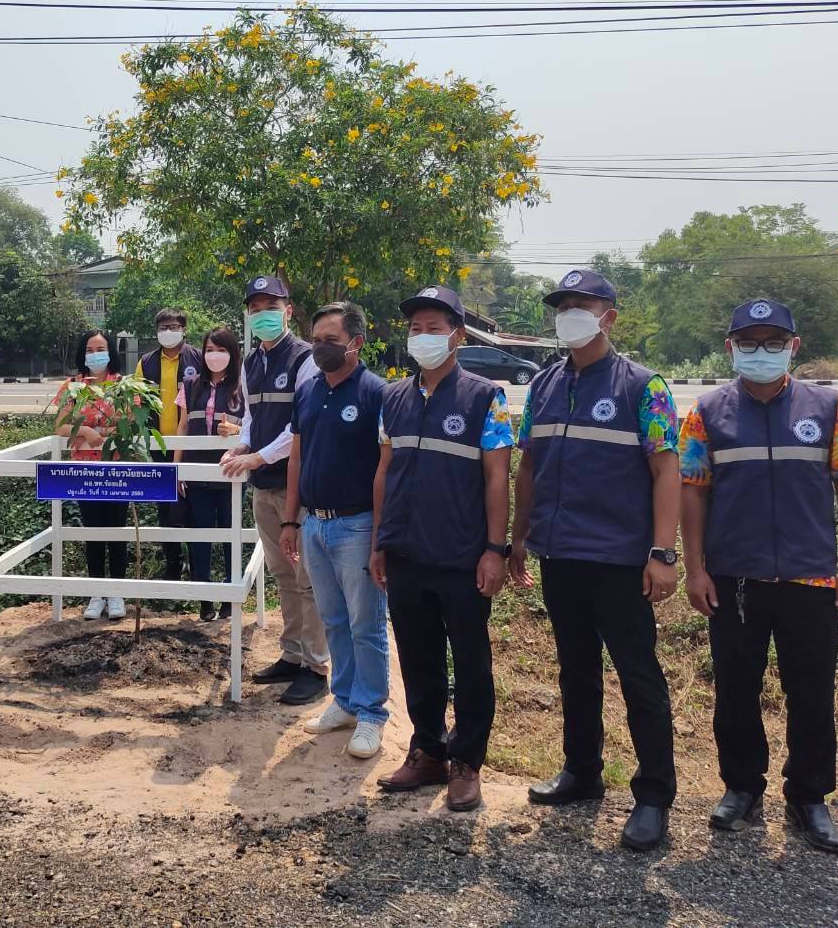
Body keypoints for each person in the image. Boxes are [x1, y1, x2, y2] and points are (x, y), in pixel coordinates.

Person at [679, 298, 838, 854]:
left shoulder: (830, 408)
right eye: (748, 342)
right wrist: (694, 569)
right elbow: (692, 494)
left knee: (810, 692)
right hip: (734, 579)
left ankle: (808, 796)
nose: (760, 351)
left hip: (810, 579)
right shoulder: (706, 412)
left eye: (773, 342)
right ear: (730, 347)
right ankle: (742, 787)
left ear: (794, 346)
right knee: (735, 691)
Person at [509, 267, 682, 853]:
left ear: (609, 315)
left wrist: (663, 553)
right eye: (563, 307)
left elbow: (666, 471)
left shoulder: (644, 387)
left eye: (581, 305)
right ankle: (582, 771)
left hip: (620, 560)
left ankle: (654, 795)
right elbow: (528, 466)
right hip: (560, 554)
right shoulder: (543, 385)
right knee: (576, 670)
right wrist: (518, 538)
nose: (569, 316)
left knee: (638, 675)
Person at [371, 286, 513, 810]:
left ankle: (467, 761)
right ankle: (427, 750)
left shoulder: (485, 397)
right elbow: (385, 472)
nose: (423, 337)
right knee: (418, 657)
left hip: (462, 557)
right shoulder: (393, 398)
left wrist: (495, 549)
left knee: (472, 662)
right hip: (406, 553)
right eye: (416, 328)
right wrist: (380, 542)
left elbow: (497, 478)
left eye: (434, 328)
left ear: (457, 335)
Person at [280, 302, 389, 758]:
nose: (321, 348)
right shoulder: (307, 391)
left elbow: (387, 468)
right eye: (316, 340)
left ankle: (372, 713)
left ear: (356, 343)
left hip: (358, 526)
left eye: (331, 341)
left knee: (366, 624)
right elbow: (297, 458)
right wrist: (291, 519)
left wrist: (380, 537)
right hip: (314, 525)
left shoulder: (376, 393)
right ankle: (344, 701)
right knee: (334, 621)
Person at [221, 276, 328, 705]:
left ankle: (316, 666)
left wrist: (258, 457)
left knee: (308, 578)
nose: (262, 314)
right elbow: (251, 416)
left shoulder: (305, 359)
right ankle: (292, 653)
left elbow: (299, 427)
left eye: (271, 306)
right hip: (263, 485)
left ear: (288, 310)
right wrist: (243, 446)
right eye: (255, 307)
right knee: (283, 574)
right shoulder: (251, 362)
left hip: (296, 487)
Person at [172, 327, 249, 621]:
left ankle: (229, 597)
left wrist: (236, 429)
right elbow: (182, 427)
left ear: (233, 353)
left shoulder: (244, 385)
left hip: (231, 473)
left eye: (222, 350)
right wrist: (178, 469)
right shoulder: (190, 385)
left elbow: (254, 426)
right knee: (200, 537)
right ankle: (204, 598)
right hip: (197, 474)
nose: (215, 355)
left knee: (231, 535)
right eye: (210, 350)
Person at [54, 329, 131, 621]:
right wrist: (85, 430)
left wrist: (94, 429)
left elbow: (127, 426)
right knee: (92, 532)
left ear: (111, 351)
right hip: (84, 471)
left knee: (117, 532)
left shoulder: (123, 386)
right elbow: (61, 426)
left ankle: (117, 593)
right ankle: (96, 594)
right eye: (89, 349)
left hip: (117, 469)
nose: (95, 354)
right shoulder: (73, 386)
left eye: (100, 348)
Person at [139, 308, 203, 581]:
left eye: (174, 326)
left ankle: (197, 567)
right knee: (165, 508)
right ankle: (172, 565)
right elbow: (137, 400)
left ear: (184, 329)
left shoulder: (198, 358)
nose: (168, 331)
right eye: (163, 327)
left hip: (191, 446)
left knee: (193, 507)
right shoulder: (146, 362)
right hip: (160, 447)